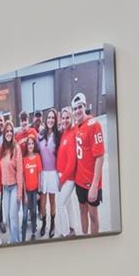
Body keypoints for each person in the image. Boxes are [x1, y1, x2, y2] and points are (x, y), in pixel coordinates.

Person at [72, 94, 107, 236]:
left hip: (91, 183)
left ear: (85, 106)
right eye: (75, 109)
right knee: (82, 211)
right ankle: (85, 238)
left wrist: (94, 186)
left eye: (80, 107)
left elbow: (100, 157)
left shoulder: (94, 125)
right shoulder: (76, 127)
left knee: (93, 216)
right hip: (79, 181)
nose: (77, 111)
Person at [53, 105, 80, 235]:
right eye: (63, 118)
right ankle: (73, 227)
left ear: (72, 117)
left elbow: (72, 163)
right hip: (62, 175)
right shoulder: (65, 133)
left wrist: (61, 180)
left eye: (67, 117)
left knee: (60, 204)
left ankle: (64, 233)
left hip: (68, 178)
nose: (64, 120)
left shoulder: (72, 134)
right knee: (68, 203)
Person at [36, 109, 61, 240]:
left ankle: (52, 225)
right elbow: (34, 152)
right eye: (49, 118)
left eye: (53, 118)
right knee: (42, 202)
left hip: (53, 173)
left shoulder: (59, 135)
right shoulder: (40, 135)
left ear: (55, 120)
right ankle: (44, 223)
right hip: (43, 173)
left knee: (52, 201)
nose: (51, 120)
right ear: (46, 120)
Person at [0, 130, 20, 246]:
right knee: (6, 216)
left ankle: (16, 240)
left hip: (15, 186)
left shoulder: (16, 148)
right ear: (4, 133)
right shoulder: (2, 149)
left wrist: (20, 192)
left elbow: (20, 171)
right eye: (7, 131)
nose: (9, 133)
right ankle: (12, 236)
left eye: (11, 131)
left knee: (13, 215)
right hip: (5, 188)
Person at [19, 134, 44, 242]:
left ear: (34, 145)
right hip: (27, 192)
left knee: (33, 212)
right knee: (25, 215)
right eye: (28, 143)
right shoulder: (24, 159)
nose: (30, 145)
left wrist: (39, 191)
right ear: (26, 145)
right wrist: (24, 193)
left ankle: (33, 231)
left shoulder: (37, 157)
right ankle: (23, 233)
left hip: (35, 191)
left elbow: (39, 174)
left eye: (32, 143)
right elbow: (23, 178)